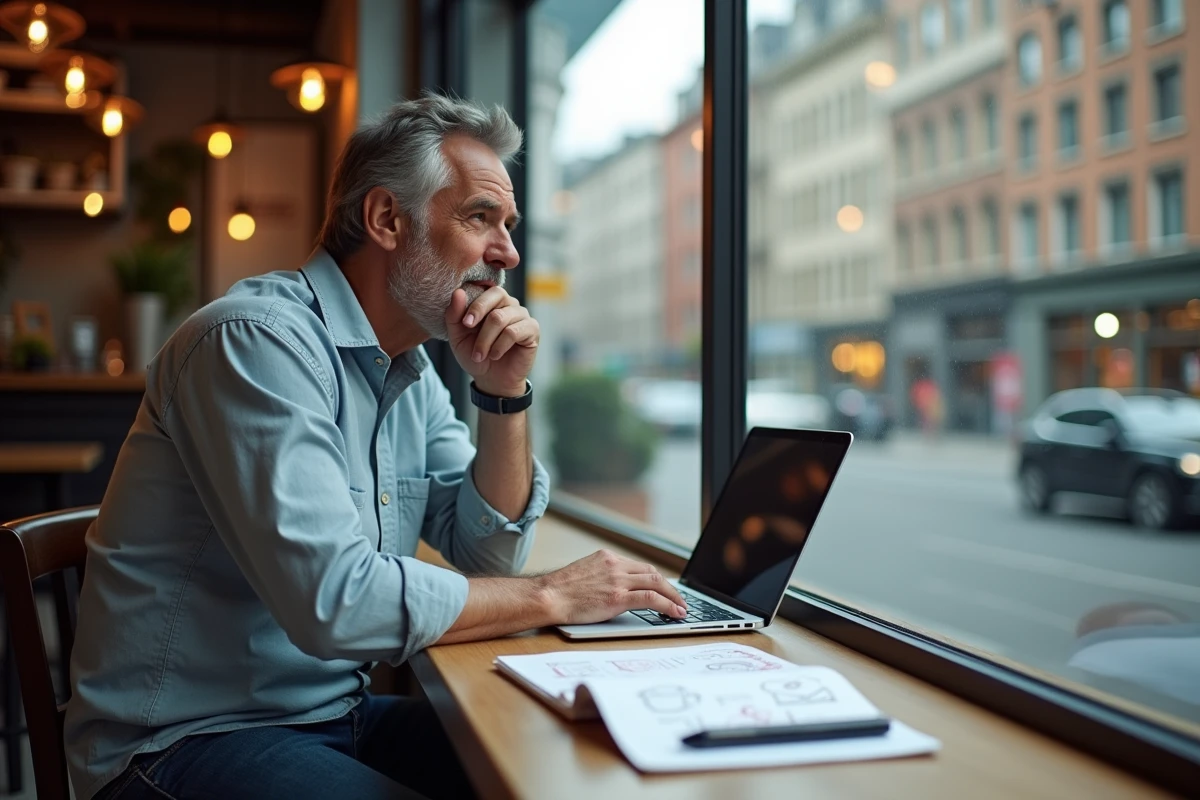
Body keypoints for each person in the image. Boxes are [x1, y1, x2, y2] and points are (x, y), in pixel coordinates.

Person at [65, 94, 689, 800]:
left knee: (566, 771)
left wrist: (503, 394)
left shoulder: (409, 370)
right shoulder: (253, 343)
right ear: (388, 218)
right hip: (180, 743)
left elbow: (486, 553)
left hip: (331, 716)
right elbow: (337, 600)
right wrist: (552, 594)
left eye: (508, 225)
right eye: (481, 217)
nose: (508, 252)